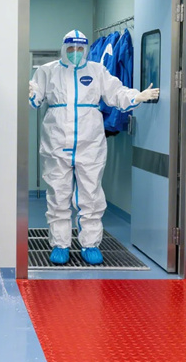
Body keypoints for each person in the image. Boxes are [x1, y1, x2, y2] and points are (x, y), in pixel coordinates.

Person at [29, 30, 160, 265]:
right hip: (56, 142)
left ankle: (90, 244)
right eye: (71, 48)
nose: (76, 53)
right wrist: (30, 93)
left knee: (90, 194)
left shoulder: (97, 70)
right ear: (64, 48)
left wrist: (136, 96)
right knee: (58, 194)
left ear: (86, 49)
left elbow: (116, 93)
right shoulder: (47, 71)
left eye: (80, 48)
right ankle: (60, 244)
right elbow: (35, 97)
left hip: (90, 143)